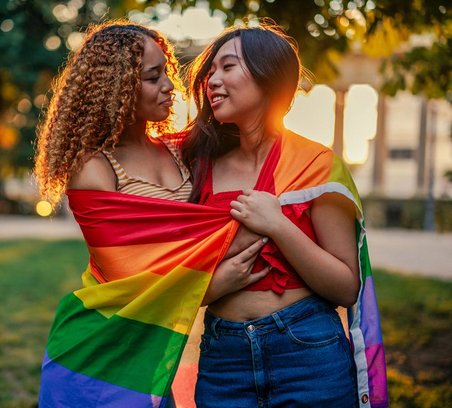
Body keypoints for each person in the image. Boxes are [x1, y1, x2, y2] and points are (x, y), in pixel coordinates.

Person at [34, 20, 267, 407]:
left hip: (151, 354)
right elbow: (132, 277)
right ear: (117, 88)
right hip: (99, 352)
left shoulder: (183, 151)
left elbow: (253, 142)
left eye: (167, 73)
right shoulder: (94, 169)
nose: (170, 87)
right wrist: (213, 284)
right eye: (153, 77)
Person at [182, 21, 388, 408]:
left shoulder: (315, 165)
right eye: (210, 71)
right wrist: (216, 284)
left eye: (227, 67)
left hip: (307, 352)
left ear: (268, 76)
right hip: (222, 359)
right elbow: (175, 273)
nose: (212, 80)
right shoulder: (199, 165)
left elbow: (346, 288)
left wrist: (278, 225)